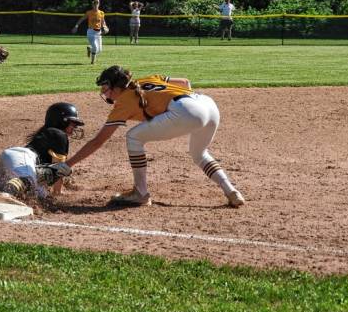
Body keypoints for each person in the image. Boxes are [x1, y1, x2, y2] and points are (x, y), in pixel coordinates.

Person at [53, 65, 245, 208]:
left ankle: (141, 193)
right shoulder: (148, 79)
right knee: (199, 154)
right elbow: (185, 82)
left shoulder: (123, 102)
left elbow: (98, 142)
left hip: (187, 110)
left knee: (133, 138)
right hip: (208, 104)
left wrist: (67, 164)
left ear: (117, 87)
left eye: (106, 87)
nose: (104, 92)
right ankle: (231, 191)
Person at [0, 103, 85, 203]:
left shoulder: (48, 132)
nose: (74, 127)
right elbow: (59, 167)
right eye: (72, 123)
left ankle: (3, 191)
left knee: (39, 195)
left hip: (15, 162)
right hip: (22, 158)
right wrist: (57, 192)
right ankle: (7, 194)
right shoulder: (60, 135)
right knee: (34, 179)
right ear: (62, 121)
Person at [71, 0, 109, 65]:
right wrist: (76, 26)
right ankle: (92, 62)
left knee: (99, 50)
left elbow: (103, 23)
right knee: (95, 47)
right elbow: (82, 19)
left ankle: (90, 49)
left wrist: (106, 28)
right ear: (92, 4)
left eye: (97, 3)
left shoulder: (101, 13)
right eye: (94, 3)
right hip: (91, 32)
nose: (96, 5)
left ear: (99, 4)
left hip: (98, 33)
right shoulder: (89, 12)